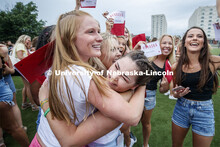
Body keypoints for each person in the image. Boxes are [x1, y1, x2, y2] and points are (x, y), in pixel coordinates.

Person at [29, 10, 152, 147]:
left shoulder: (62, 67)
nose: (100, 38)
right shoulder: (83, 77)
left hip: (40, 139)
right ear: (69, 38)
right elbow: (133, 116)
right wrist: (142, 84)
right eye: (91, 32)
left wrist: (45, 101)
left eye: (98, 31)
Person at [172, 26, 220, 147]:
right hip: (181, 109)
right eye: (190, 36)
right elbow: (172, 91)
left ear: (204, 43)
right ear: (184, 43)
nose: (195, 38)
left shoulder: (213, 61)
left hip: (204, 111)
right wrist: (176, 94)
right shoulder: (176, 66)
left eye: (199, 36)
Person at [141, 34, 175, 147]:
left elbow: (162, 90)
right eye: (164, 42)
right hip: (134, 91)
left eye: (170, 43)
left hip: (150, 95)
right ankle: (127, 141)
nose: (167, 46)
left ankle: (145, 144)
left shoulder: (169, 65)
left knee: (145, 123)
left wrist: (165, 86)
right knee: (128, 120)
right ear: (158, 44)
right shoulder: (148, 55)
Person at [0, 44, 29, 147]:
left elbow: (11, 70)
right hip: (4, 88)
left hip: (3, 90)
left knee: (12, 127)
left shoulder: (2, 50)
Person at [11, 35, 39, 111]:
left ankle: (24, 103)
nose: (29, 41)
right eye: (28, 40)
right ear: (23, 39)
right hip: (20, 67)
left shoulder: (21, 46)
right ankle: (34, 105)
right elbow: (20, 57)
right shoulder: (20, 45)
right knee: (28, 86)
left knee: (26, 86)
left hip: (19, 67)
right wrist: (31, 60)